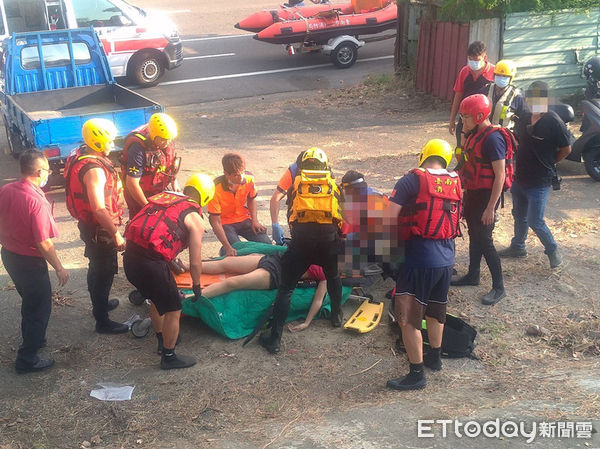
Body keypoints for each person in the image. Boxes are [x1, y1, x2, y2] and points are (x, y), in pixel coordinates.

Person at [385, 139, 462, 390]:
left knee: (407, 319)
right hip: (447, 258)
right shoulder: (455, 181)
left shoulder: (411, 180)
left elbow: (388, 219)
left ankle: (416, 375)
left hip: (419, 258)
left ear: (424, 155)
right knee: (436, 310)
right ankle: (435, 358)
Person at [123, 173, 215, 369]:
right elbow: (195, 262)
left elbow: (156, 232)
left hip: (130, 259)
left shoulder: (168, 198)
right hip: (150, 264)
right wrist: (197, 287)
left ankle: (161, 341)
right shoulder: (195, 218)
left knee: (158, 299)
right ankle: (169, 357)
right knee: (174, 307)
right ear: (206, 198)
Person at [258, 148, 344, 354]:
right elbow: (341, 217)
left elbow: (290, 214)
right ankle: (336, 316)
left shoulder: (297, 183)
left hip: (301, 243)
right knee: (333, 276)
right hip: (328, 242)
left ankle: (275, 338)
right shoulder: (333, 184)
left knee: (287, 288)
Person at [0, 150, 69, 374]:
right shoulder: (35, 201)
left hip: (10, 255)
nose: (49, 174)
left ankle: (35, 340)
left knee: (30, 302)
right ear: (39, 172)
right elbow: (44, 242)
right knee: (39, 308)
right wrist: (59, 267)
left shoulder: (7, 189)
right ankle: (27, 359)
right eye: (48, 171)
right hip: (29, 261)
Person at [498, 81, 572, 268]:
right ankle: (518, 246)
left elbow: (567, 148)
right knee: (519, 214)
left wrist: (551, 162)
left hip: (540, 181)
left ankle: (553, 250)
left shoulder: (554, 121)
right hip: (520, 177)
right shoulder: (524, 117)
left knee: (535, 220)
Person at [451, 94, 515, 305]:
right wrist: (462, 137)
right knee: (474, 235)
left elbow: (500, 175)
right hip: (474, 193)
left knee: (485, 241)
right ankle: (473, 275)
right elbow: (464, 162)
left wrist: (490, 208)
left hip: (487, 196)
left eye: (466, 117)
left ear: (479, 116)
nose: (463, 121)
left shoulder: (493, 139)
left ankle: (499, 287)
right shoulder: (473, 134)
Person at [65, 118, 127, 333]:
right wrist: (116, 234)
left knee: (97, 267)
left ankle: (101, 304)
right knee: (103, 272)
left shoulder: (83, 154)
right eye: (109, 141)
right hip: (99, 229)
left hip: (91, 226)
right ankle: (102, 321)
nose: (112, 145)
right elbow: (99, 209)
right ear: (98, 142)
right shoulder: (94, 169)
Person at [200, 253, 327, 332]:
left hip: (277, 273)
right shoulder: (321, 248)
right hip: (274, 258)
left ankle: (190, 297)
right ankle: (186, 265)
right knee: (226, 263)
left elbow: (318, 300)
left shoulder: (328, 273)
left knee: (233, 283)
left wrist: (306, 322)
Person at [208, 153, 271, 256]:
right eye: (236, 175)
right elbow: (215, 221)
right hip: (224, 222)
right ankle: (224, 251)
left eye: (242, 172)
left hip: (243, 218)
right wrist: (228, 246)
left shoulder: (249, 179)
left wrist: (255, 221)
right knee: (237, 251)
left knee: (266, 244)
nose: (241, 177)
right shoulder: (214, 188)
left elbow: (251, 200)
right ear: (226, 174)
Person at [121, 112, 181, 219]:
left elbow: (170, 162)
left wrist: (174, 181)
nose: (167, 142)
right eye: (163, 139)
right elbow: (132, 183)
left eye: (169, 139)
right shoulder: (137, 149)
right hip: (140, 194)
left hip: (158, 189)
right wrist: (146, 206)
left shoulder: (166, 140)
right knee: (142, 225)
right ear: (153, 135)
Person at [449, 41, 495, 148]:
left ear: (485, 57)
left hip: (483, 119)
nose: (473, 62)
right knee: (462, 148)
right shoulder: (464, 72)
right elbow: (458, 96)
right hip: (465, 117)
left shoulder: (494, 72)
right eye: (470, 59)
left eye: (477, 60)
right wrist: (452, 120)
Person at [270, 151, 306, 245]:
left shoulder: (294, 170)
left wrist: (275, 224)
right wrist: (275, 224)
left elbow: (276, 197)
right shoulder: (294, 170)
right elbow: (276, 198)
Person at [485, 59, 526, 132]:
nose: (501, 78)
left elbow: (522, 121)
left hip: (504, 136)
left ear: (511, 78)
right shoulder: (486, 90)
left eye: (504, 76)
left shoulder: (517, 96)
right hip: (484, 133)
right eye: (498, 75)